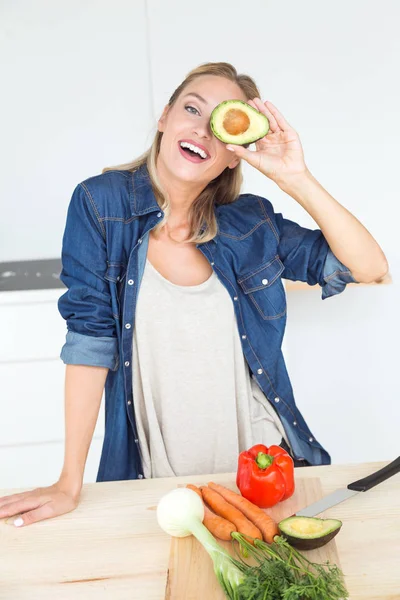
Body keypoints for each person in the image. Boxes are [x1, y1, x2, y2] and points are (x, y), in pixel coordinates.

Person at [0, 62, 388, 527]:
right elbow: (90, 342)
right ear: (164, 117)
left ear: (233, 156)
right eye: (191, 109)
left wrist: (295, 177)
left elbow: (369, 266)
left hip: (261, 473)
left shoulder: (252, 222)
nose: (202, 132)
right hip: (157, 479)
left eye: (221, 126)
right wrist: (69, 481)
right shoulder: (101, 205)